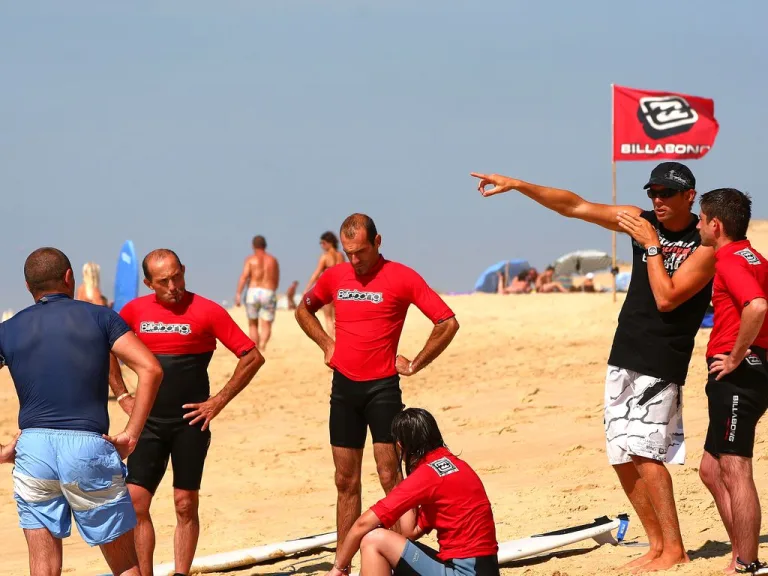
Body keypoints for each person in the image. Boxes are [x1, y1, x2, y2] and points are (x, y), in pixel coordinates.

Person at [471, 162, 715, 572]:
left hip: (662, 357)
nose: (657, 200)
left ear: (689, 196)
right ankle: (656, 545)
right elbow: (574, 206)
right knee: (621, 453)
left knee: (646, 454)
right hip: (624, 353)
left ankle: (675, 548)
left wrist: (652, 244)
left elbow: (668, 299)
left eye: (667, 194)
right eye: (653, 192)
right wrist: (517, 184)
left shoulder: (703, 242)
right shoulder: (640, 220)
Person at [295, 214, 460, 565]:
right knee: (345, 480)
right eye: (348, 252)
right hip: (344, 388)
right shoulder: (335, 275)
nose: (354, 260)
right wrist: (327, 344)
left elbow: (447, 321)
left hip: (383, 388)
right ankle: (343, 565)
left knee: (389, 475)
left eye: (361, 252)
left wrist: (416, 363)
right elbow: (303, 310)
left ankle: (403, 561)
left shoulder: (402, 277)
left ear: (378, 241)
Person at [0, 247, 163, 576]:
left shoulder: (8, 329)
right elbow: (150, 369)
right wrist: (131, 434)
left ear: (29, 286)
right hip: (87, 445)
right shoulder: (100, 317)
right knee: (124, 562)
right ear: (69, 277)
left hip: (33, 448)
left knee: (42, 565)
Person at [110, 248, 265, 576]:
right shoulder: (134, 311)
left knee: (184, 503)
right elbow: (106, 349)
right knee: (136, 504)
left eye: (177, 276)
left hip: (190, 423)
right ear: (149, 283)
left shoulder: (207, 310)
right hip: (148, 423)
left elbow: (251, 356)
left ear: (184, 270)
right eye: (163, 281)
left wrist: (217, 401)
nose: (173, 285)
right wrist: (122, 393)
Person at [325, 408, 499, 576]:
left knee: (373, 539)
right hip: (481, 568)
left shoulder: (426, 475)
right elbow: (411, 531)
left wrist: (339, 567)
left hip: (464, 572)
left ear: (400, 445)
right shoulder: (454, 465)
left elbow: (363, 524)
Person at [695, 189, 768, 575]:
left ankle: (747, 563)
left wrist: (739, 355)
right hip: (751, 371)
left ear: (716, 225)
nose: (698, 224)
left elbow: (757, 306)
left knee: (736, 466)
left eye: (701, 219)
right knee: (710, 469)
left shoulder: (728, 261)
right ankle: (740, 552)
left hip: (738, 373)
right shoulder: (755, 257)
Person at [234, 235, 280, 350]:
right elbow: (276, 278)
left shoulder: (250, 259)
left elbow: (244, 277)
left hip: (253, 292)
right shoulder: (273, 260)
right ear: (265, 245)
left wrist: (238, 294)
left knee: (253, 323)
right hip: (268, 291)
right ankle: (263, 345)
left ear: (253, 246)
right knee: (266, 323)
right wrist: (272, 291)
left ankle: (256, 346)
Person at [305, 231, 346, 338]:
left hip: (328, 289)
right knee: (338, 318)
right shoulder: (341, 255)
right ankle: (338, 339)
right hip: (340, 290)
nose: (322, 246)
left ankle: (333, 340)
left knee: (328, 317)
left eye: (323, 243)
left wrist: (307, 289)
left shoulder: (325, 257)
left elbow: (316, 274)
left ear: (329, 243)